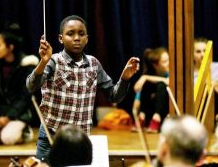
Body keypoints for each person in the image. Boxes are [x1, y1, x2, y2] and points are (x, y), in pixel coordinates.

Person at [26, 15, 139, 162]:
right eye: (70, 33)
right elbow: (31, 86)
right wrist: (43, 62)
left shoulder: (94, 64)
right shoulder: (53, 61)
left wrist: (124, 78)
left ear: (87, 38)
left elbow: (114, 96)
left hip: (81, 139)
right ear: (61, 38)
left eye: (81, 33)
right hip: (51, 136)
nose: (77, 38)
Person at [132, 47, 169, 133]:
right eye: (164, 62)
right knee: (147, 84)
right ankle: (142, 117)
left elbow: (168, 81)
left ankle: (157, 118)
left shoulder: (172, 71)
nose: (168, 63)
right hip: (149, 111)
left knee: (162, 85)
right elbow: (137, 89)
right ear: (155, 65)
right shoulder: (150, 76)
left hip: (165, 111)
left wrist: (145, 77)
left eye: (168, 59)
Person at [194, 37, 218, 119]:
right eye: (198, 52)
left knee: (210, 88)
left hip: (211, 101)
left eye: (205, 51)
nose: (202, 54)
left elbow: (216, 84)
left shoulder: (217, 66)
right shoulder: (188, 71)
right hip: (193, 102)